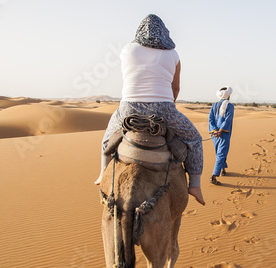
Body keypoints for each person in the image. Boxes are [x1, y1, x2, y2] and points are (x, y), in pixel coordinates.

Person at [95, 14, 205, 206]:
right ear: (165, 33)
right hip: (163, 109)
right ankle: (194, 185)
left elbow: (128, 77)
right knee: (195, 139)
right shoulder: (173, 54)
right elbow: (175, 88)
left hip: (129, 108)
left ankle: (103, 172)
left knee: (108, 138)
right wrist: (168, 108)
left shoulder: (127, 50)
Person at [208, 86, 234, 185]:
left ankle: (223, 169)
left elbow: (210, 119)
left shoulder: (214, 105)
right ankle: (214, 176)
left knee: (219, 151)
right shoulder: (230, 106)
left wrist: (214, 130)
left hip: (214, 134)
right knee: (221, 153)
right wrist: (220, 131)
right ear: (228, 97)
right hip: (224, 133)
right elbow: (228, 119)